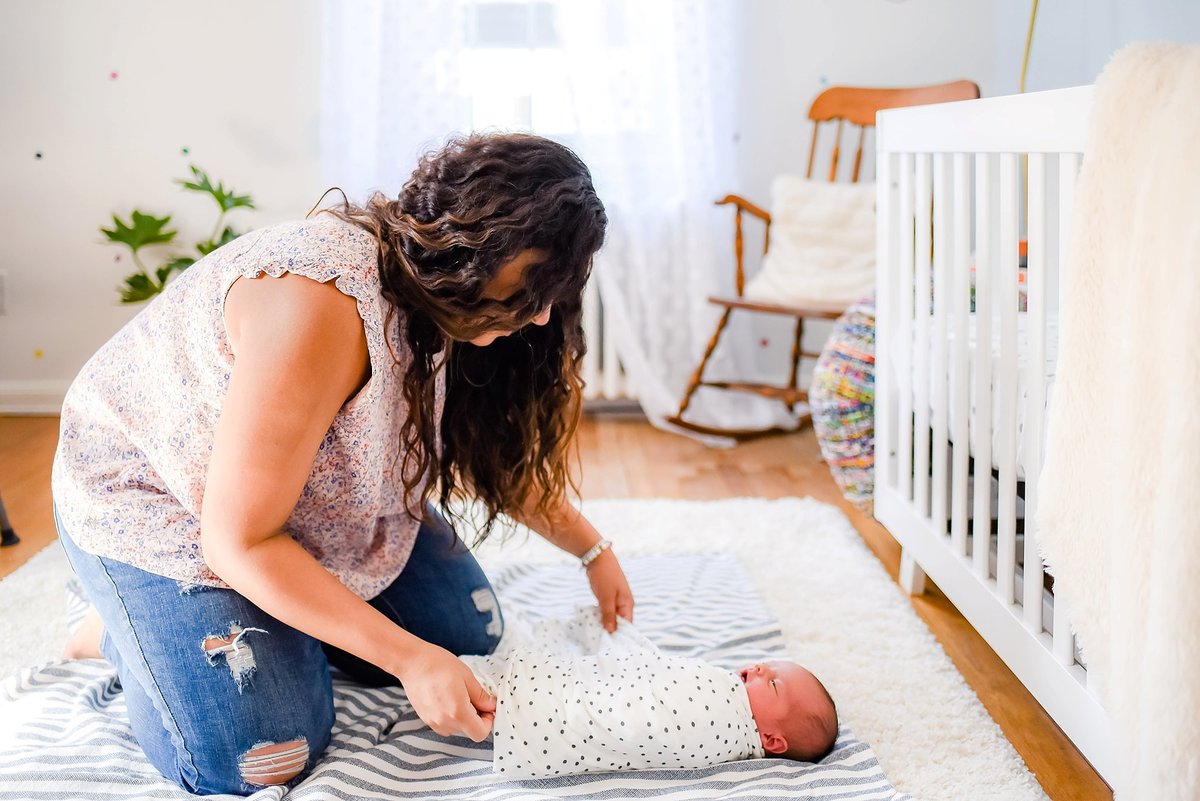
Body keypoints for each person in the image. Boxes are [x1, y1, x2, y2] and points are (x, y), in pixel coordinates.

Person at [51, 132, 633, 796]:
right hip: (160, 496)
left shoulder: (462, 302)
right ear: (474, 246)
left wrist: (593, 550)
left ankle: (276, 611)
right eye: (532, 287)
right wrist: (408, 657)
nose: (542, 313)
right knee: (266, 745)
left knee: (472, 631)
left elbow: (490, 458)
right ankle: (113, 618)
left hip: (296, 499)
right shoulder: (321, 300)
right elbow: (237, 537)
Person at [459, 607, 838, 779]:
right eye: (767, 663)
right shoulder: (728, 698)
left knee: (488, 680)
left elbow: (642, 722)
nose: (760, 668)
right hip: (607, 685)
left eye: (772, 683)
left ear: (772, 739)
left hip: (560, 710)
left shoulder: (722, 714)